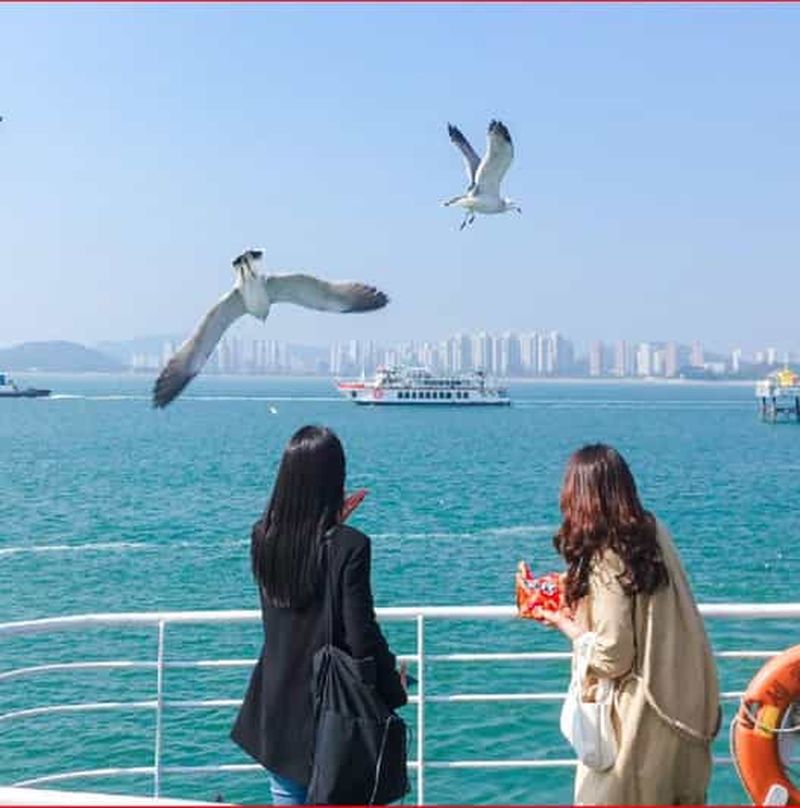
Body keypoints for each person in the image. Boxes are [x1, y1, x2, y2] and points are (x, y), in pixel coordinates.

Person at [231, 425, 407, 805]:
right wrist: (393, 687)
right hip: (333, 720)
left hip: (276, 716)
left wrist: (331, 523)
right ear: (335, 480)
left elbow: (301, 600)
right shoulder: (351, 546)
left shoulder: (262, 537)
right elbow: (361, 636)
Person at [538, 444, 720, 805]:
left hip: (642, 721)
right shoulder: (653, 531)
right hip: (686, 705)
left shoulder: (607, 554)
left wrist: (565, 624)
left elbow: (613, 655)